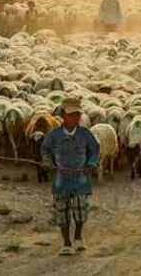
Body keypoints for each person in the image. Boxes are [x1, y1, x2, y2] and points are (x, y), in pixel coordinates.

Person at [40, 96, 100, 256]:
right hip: (61, 175)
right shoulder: (54, 135)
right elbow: (45, 149)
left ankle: (78, 236)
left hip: (80, 176)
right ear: (64, 115)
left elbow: (95, 149)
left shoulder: (85, 134)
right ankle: (66, 243)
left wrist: (91, 164)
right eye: (71, 114)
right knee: (62, 210)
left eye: (77, 114)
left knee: (81, 209)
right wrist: (46, 161)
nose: (75, 117)